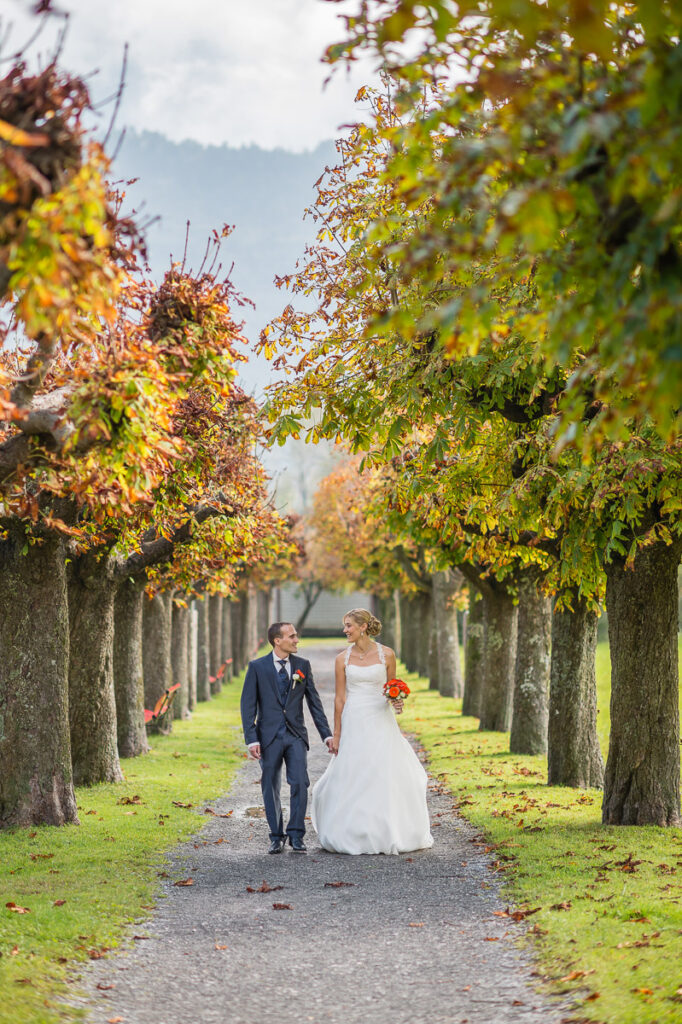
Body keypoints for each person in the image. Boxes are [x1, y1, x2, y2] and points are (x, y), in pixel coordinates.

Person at [311, 608, 433, 855]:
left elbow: (392, 689)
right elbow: (339, 699)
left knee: (383, 771)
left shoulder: (387, 654)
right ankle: (353, 829)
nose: (345, 630)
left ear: (363, 626)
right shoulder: (341, 659)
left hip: (380, 717)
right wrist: (337, 734)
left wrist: (397, 701)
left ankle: (387, 829)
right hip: (354, 717)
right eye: (344, 626)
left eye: (348, 625)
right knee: (354, 771)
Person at [240, 622, 333, 854]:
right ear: (277, 641)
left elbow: (314, 703)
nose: (296, 640)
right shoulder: (257, 667)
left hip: (295, 736)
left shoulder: (302, 666)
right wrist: (252, 739)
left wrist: (326, 735)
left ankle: (296, 835)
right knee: (270, 785)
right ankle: (276, 836)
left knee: (300, 782)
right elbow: (248, 706)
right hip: (268, 736)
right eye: (292, 636)